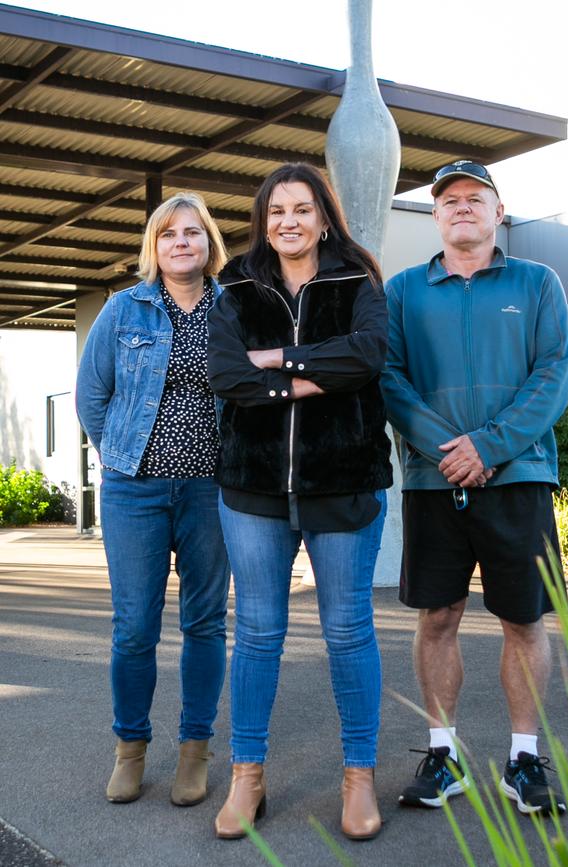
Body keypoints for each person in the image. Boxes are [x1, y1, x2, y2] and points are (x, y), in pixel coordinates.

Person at [381, 160, 568, 816]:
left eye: (475, 198)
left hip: (517, 477)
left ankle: (524, 760)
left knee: (524, 619)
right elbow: (390, 378)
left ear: (498, 212)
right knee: (438, 616)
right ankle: (445, 754)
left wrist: (488, 446)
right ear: (435, 216)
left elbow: (553, 373)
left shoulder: (537, 282)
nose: (462, 207)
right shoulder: (405, 291)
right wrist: (452, 451)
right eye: (449, 201)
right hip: (434, 483)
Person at [207, 162, 393, 841]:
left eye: (302, 208)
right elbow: (224, 372)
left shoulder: (357, 278)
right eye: (276, 209)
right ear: (262, 219)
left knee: (348, 630)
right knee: (256, 632)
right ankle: (247, 777)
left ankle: (359, 776)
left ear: (323, 216)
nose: (289, 220)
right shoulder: (234, 286)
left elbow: (367, 355)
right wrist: (311, 373)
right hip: (252, 484)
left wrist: (276, 360)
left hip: (343, 479)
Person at [76, 191, 230, 807]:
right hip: (133, 490)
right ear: (154, 247)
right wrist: (117, 456)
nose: (182, 242)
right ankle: (131, 750)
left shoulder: (236, 308)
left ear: (209, 242)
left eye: (192, 232)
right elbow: (93, 396)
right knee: (135, 627)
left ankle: (195, 748)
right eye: (169, 235)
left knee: (205, 622)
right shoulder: (122, 310)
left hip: (211, 489)